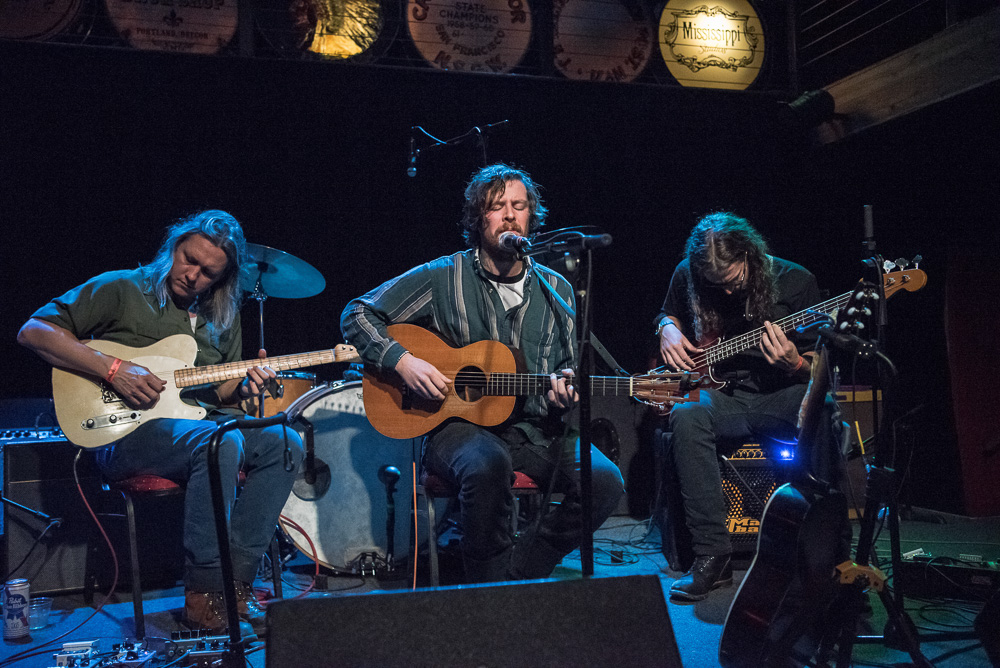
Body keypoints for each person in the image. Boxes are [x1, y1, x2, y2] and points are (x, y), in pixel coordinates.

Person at [17, 210, 303, 635]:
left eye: (208, 273)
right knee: (219, 442)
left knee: (285, 442)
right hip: (125, 432)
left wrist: (244, 387)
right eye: (189, 259)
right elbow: (35, 330)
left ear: (223, 279)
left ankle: (236, 584)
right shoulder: (122, 288)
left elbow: (222, 391)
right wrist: (113, 368)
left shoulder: (222, 317)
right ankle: (203, 596)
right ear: (173, 246)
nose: (192, 275)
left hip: (195, 424)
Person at [341, 164, 624, 583]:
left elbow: (566, 365)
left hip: (536, 427)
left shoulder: (558, 289)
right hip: (454, 427)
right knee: (488, 464)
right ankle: (487, 589)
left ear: (532, 217)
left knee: (605, 482)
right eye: (497, 206)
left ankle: (521, 569)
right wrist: (403, 360)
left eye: (519, 206)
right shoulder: (444, 276)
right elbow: (358, 313)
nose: (509, 215)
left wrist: (562, 390)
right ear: (479, 218)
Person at [654, 211, 844, 601]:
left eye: (733, 280)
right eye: (715, 285)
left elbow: (820, 366)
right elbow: (666, 311)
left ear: (749, 256)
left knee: (824, 408)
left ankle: (829, 558)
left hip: (782, 394)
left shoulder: (796, 281)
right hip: (725, 396)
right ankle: (713, 556)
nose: (725, 292)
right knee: (686, 413)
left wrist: (794, 362)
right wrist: (667, 328)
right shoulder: (687, 274)